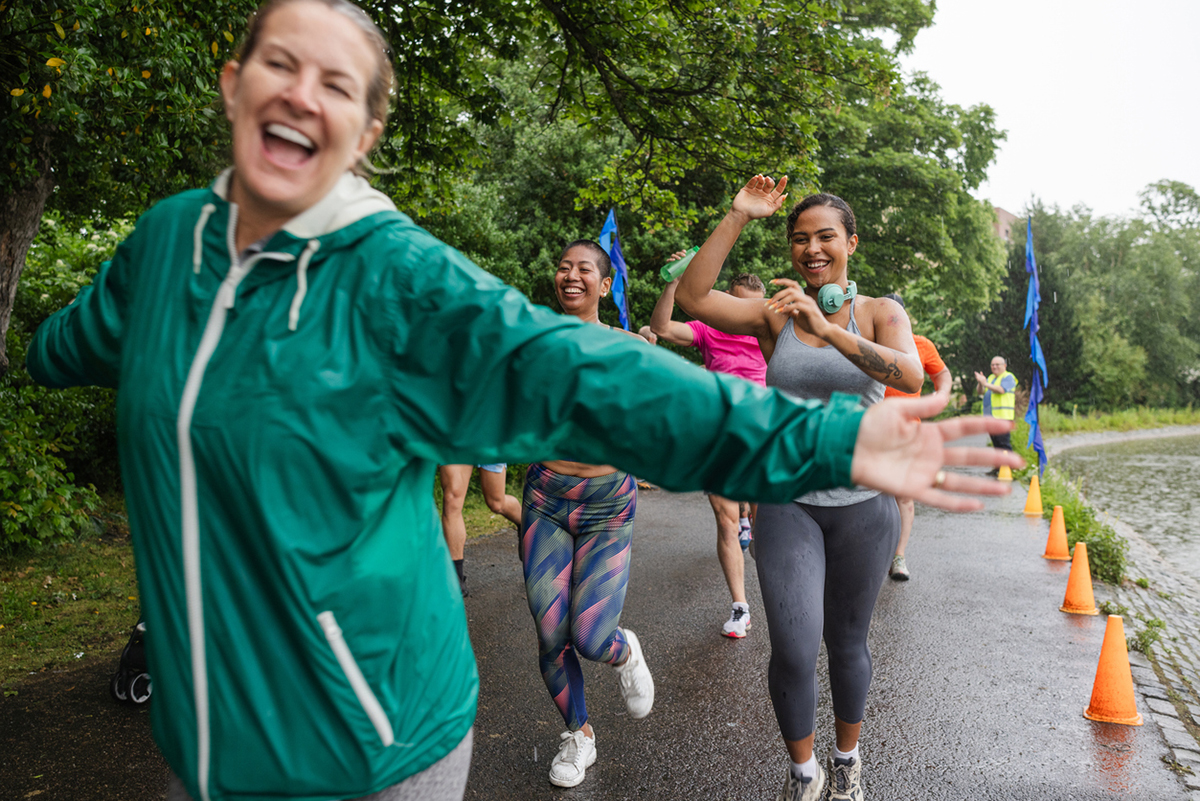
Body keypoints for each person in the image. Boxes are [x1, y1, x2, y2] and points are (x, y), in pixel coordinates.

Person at [24, 5, 1021, 798]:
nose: (300, 95)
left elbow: (597, 376)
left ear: (366, 130)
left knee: (652, 630)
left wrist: (832, 440)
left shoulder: (395, 279)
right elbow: (78, 338)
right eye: (278, 64)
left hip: (366, 746)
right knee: (557, 630)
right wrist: (35, 351)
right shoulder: (167, 243)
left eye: (336, 83)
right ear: (233, 83)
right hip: (201, 748)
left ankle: (800, 748)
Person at [675, 175, 932, 801]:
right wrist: (738, 214)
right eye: (799, 239)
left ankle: (847, 759)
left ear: (850, 244)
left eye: (825, 238)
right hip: (787, 502)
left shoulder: (878, 312)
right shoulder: (778, 313)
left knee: (846, 643)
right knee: (792, 647)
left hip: (863, 508)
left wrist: (831, 325)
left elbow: (911, 374)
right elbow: (693, 297)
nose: (811, 250)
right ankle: (803, 772)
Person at [519, 239, 660, 788]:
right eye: (563, 267)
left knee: (590, 634)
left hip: (607, 505)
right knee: (550, 631)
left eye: (585, 270)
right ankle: (579, 736)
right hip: (545, 499)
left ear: (605, 286)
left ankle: (624, 652)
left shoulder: (628, 348)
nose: (570, 276)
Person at [650, 268, 767, 638]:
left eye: (751, 310)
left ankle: (759, 538)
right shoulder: (707, 330)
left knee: (764, 534)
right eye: (735, 307)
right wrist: (672, 281)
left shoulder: (770, 331)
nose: (743, 318)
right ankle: (740, 608)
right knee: (725, 521)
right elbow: (663, 327)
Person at [880, 293, 952, 582]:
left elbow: (942, 373)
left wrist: (942, 394)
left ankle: (899, 556)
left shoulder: (921, 345)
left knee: (903, 495)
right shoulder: (866, 343)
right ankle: (869, 554)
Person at [437, 463, 521, 596]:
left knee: (496, 503)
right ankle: (455, 578)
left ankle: (523, 523)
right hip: (457, 442)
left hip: (488, 442)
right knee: (452, 499)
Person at [975, 355, 1018, 453]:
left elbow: (1001, 390)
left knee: (1003, 443)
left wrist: (985, 384)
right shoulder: (990, 378)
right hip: (990, 416)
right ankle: (999, 466)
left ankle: (1008, 466)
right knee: (996, 443)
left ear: (1004, 366)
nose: (994, 367)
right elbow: (980, 392)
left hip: (1003, 417)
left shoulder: (1008, 377)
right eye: (992, 365)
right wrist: (981, 383)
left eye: (997, 365)